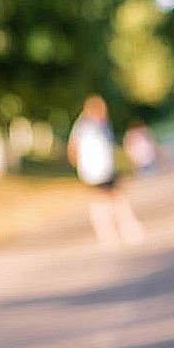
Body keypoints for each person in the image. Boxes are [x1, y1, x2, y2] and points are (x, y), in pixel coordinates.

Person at [67, 94, 145, 248]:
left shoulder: (99, 124)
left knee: (113, 199)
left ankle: (119, 230)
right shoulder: (85, 126)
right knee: (110, 200)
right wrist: (82, 166)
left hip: (103, 168)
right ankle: (114, 231)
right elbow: (73, 148)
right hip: (95, 170)